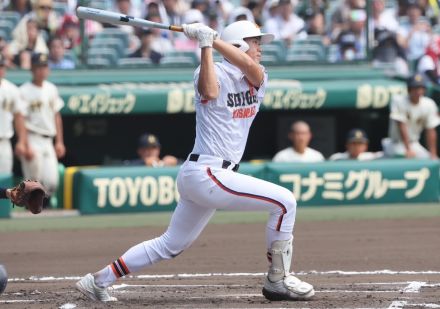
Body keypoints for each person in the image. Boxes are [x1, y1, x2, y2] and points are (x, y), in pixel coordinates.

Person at [76, 20, 315, 303]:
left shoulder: (258, 77)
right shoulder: (208, 69)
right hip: (207, 171)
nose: (260, 47)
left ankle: (97, 281)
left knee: (171, 244)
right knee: (285, 202)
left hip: (209, 176)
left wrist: (211, 39)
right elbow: (210, 92)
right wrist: (205, 45)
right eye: (255, 41)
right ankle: (278, 279)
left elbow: (253, 70)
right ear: (239, 44)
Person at [19, 52, 66, 198]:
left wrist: (59, 141)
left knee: (52, 182)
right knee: (33, 183)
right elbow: (21, 120)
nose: (42, 70)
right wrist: (25, 144)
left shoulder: (51, 88)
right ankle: (30, 211)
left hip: (48, 139)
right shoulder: (23, 90)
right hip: (32, 137)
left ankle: (40, 210)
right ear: (32, 69)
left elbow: (56, 116)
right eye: (38, 67)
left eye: (44, 66)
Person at [382, 74, 440, 159]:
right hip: (395, 144)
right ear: (409, 89)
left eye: (420, 88)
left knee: (432, 162)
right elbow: (401, 125)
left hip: (414, 144)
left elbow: (430, 130)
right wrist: (408, 149)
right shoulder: (398, 100)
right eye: (415, 88)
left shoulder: (429, 104)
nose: (418, 91)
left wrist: (433, 154)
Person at [0, 53, 29, 174]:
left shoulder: (12, 89)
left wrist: (22, 141)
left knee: (4, 180)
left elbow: (19, 117)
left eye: (1, 66)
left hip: (4, 142)